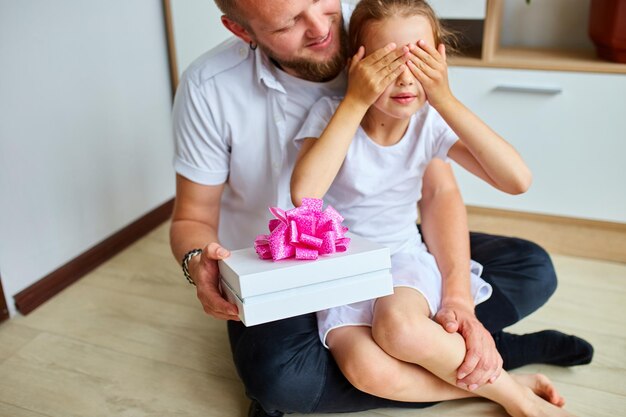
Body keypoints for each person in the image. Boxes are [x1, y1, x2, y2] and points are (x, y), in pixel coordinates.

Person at [169, 1, 593, 416]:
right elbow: (297, 196)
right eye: (288, 23)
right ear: (243, 31)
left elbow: (490, 185)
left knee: (525, 271)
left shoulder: (390, 39)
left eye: (322, 2)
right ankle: (499, 375)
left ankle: (468, 358)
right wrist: (198, 263)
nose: (319, 27)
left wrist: (443, 96)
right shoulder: (222, 89)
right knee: (301, 377)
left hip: (399, 254)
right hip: (314, 270)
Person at [289, 1, 577, 416]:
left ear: (439, 58)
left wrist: (443, 97)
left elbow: (517, 180)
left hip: (401, 260)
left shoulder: (428, 122)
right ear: (359, 62)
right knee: (365, 369)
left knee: (400, 328)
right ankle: (507, 385)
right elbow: (306, 195)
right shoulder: (331, 116)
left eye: (421, 60)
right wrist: (354, 99)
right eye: (388, 64)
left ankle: (517, 403)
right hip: (342, 272)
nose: (406, 79)